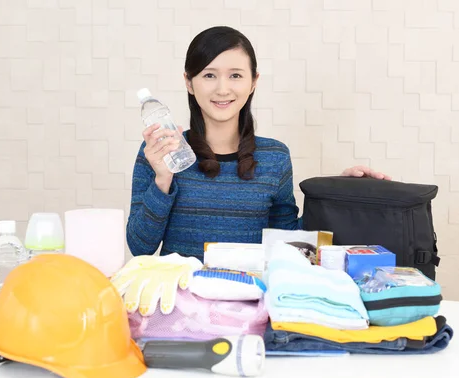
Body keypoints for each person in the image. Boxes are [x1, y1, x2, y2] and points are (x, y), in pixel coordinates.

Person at [126, 26, 390, 262]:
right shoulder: (162, 152)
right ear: (189, 82)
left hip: (250, 306)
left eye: (235, 76)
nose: (222, 89)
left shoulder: (274, 156)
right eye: (209, 75)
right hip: (183, 307)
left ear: (253, 82)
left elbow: (289, 243)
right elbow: (140, 248)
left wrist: (337, 195)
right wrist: (163, 179)